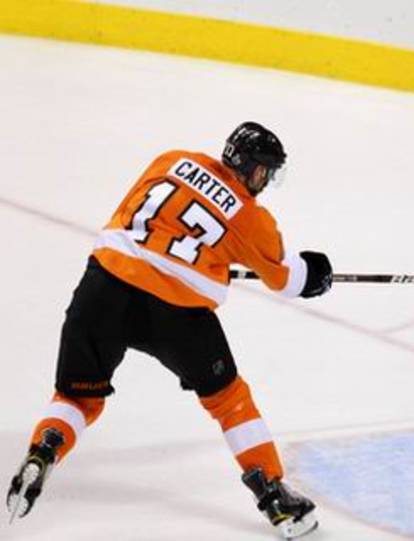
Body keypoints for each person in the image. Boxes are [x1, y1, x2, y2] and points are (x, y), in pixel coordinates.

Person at [6, 122, 331, 539]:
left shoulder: (172, 160)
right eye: (265, 172)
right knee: (229, 401)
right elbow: (289, 279)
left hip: (104, 285)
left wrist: (207, 262)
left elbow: (145, 225)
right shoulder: (250, 217)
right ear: (253, 169)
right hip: (175, 314)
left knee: (77, 396)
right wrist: (317, 274)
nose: (265, 182)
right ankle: (273, 496)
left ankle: (45, 447)